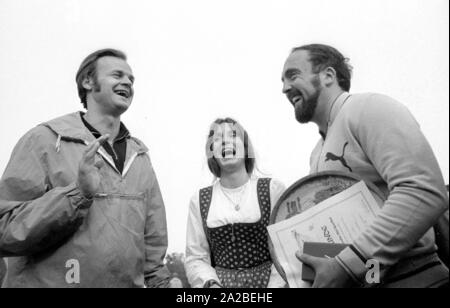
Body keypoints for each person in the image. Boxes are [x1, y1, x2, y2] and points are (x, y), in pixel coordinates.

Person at [281, 43, 449, 288]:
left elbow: (424, 190)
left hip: (414, 278)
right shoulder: (316, 153)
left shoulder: (369, 108)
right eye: (283, 80)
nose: (285, 88)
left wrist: (348, 264)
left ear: (328, 75)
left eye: (293, 75)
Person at [0, 48, 171, 287]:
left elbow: (153, 247)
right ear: (88, 81)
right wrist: (77, 193)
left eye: (131, 79)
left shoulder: (140, 156)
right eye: (117, 75)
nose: (127, 82)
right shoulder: (44, 140)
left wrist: (163, 284)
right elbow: (5, 229)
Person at [185, 118, 286, 288]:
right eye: (217, 139)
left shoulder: (272, 190)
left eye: (233, 135)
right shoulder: (200, 200)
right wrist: (211, 285)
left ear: (246, 148)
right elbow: (196, 257)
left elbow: (285, 251)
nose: (225, 141)